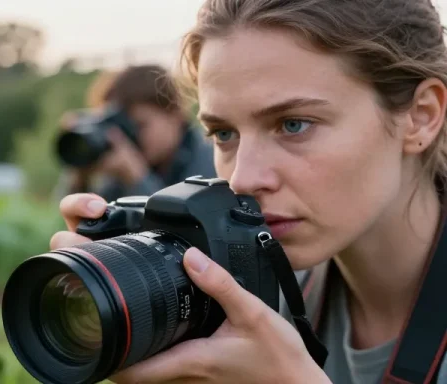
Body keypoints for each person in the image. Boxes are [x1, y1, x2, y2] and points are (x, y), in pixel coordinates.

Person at [49, 0, 447, 383]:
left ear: (421, 117)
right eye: (224, 134)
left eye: (294, 124)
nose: (242, 178)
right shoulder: (259, 298)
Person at [58, 64, 216, 203]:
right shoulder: (127, 161)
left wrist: (137, 178)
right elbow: (80, 228)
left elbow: (183, 230)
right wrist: (81, 175)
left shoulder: (212, 159)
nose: (129, 136)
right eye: (121, 127)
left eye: (139, 125)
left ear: (175, 116)